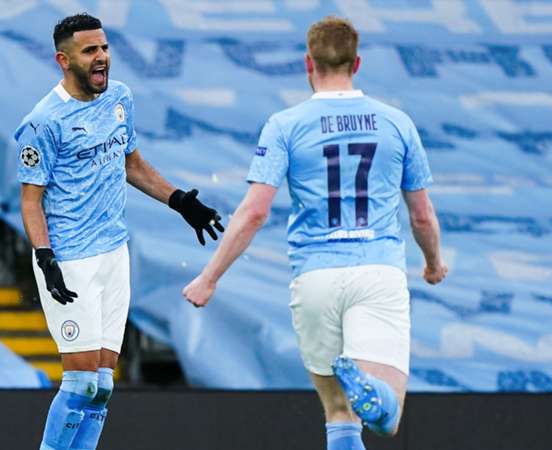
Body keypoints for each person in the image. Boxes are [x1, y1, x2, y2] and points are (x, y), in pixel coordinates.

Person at [183, 16, 447, 450]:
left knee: (339, 415)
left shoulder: (286, 125)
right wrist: (433, 264)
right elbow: (421, 216)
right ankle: (371, 392)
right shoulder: (396, 122)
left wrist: (209, 277)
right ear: (356, 62)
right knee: (386, 418)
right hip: (376, 272)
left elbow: (253, 212)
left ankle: (356, 392)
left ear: (309, 62)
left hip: (315, 277)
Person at [16, 13, 224, 450]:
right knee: (79, 383)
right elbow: (31, 200)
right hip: (69, 258)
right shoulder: (43, 121)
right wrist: (44, 257)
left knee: (103, 386)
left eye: (105, 48)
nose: (103, 58)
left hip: (114, 252)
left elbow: (131, 163)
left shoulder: (120, 99)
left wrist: (181, 202)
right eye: (90, 50)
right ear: (63, 59)